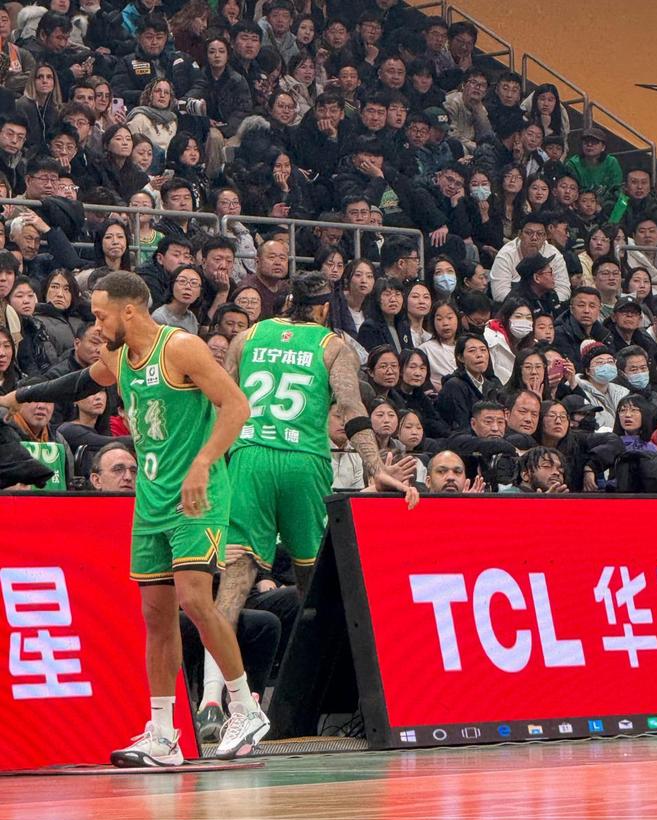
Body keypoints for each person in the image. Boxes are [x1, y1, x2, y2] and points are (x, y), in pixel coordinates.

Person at [0, 270, 268, 764]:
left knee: (194, 599)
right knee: (155, 616)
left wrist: (203, 463)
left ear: (129, 310)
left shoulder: (181, 348)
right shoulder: (118, 356)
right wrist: (15, 397)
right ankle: (163, 734)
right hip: (151, 497)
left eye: (102, 316)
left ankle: (245, 708)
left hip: (197, 494)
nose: (96, 325)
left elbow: (236, 406)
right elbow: (78, 382)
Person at [197, 272, 418, 733]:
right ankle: (307, 704)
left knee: (233, 583)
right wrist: (375, 466)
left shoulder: (248, 337)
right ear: (323, 308)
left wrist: (206, 464)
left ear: (288, 302)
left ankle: (212, 702)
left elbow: (219, 403)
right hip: (304, 461)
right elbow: (352, 410)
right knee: (311, 587)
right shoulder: (333, 345)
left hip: (249, 458)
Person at [490, 212, 571, 303]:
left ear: (545, 237)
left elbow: (564, 289)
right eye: (529, 233)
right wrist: (527, 306)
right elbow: (499, 293)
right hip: (515, 306)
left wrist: (546, 304)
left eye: (539, 234)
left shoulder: (554, 254)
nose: (534, 238)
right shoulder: (506, 254)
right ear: (520, 235)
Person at [435, 333, 500, 431]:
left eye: (483, 350)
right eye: (472, 351)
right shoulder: (454, 385)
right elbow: (461, 425)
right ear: (460, 357)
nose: (479, 355)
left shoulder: (493, 384)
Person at [575, 340, 630, 429]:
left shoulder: (623, 392)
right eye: (600, 362)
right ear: (588, 370)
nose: (606, 366)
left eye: (610, 361)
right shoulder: (580, 393)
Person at [419, 299, 459, 390]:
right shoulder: (425, 349)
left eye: (450, 318)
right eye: (439, 319)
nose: (445, 323)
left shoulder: (466, 347)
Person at [151, 264, 203, 334]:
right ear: (172, 286)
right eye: (182, 281)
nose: (188, 287)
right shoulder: (160, 317)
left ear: (200, 292)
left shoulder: (192, 318)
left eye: (194, 283)